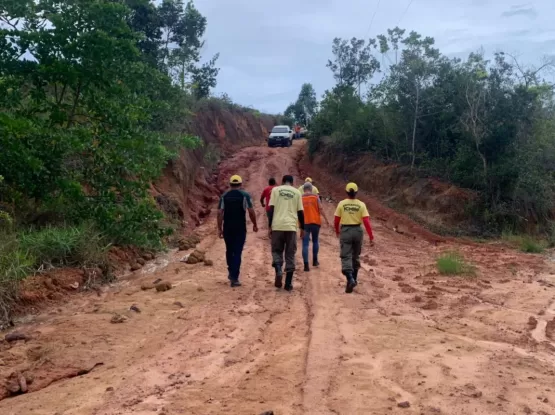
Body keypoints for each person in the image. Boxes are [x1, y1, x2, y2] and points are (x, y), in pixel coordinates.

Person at [218, 175, 258, 287]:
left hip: (228, 228)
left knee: (229, 250)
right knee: (238, 251)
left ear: (230, 184)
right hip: (240, 228)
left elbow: (220, 213)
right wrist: (254, 224)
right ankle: (234, 277)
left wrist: (219, 228)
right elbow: (250, 211)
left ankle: (231, 272)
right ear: (240, 184)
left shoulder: (224, 196)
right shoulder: (244, 195)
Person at [334, 182, 374, 293]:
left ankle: (350, 279)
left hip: (346, 231)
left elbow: (336, 219)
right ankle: (353, 280)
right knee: (355, 256)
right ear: (356, 192)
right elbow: (366, 221)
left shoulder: (342, 204)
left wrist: (337, 230)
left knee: (346, 256)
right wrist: (371, 236)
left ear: (346, 192)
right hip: (357, 231)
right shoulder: (361, 205)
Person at [268, 175, 305, 291]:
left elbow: (271, 209)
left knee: (276, 250)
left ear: (282, 182)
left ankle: (278, 269)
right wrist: (302, 228)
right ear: (292, 183)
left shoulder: (275, 190)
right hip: (291, 227)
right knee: (290, 254)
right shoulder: (297, 192)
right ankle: (288, 284)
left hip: (277, 226)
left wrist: (270, 226)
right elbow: (300, 212)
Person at [301, 182, 325, 272]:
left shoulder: (301, 198)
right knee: (315, 241)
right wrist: (326, 219)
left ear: (304, 189)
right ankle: (315, 261)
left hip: (305, 223)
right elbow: (321, 209)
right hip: (315, 222)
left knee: (305, 244)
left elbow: (299, 211)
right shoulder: (316, 197)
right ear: (311, 189)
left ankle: (306, 265)